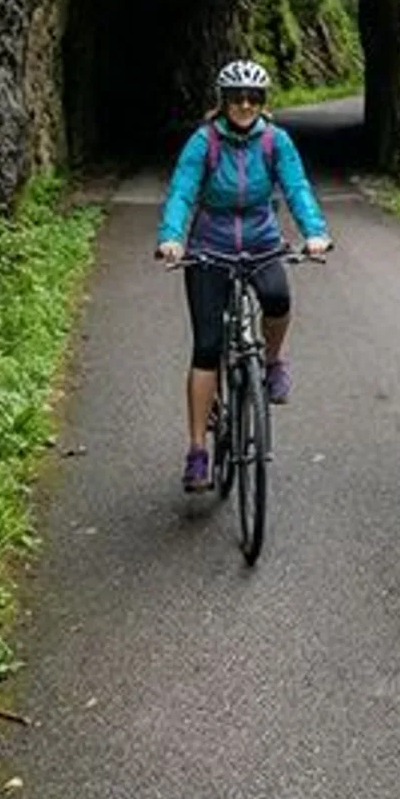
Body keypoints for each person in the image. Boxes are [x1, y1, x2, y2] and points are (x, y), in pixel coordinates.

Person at [155, 58, 330, 491]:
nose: (245, 105)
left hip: (261, 240)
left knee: (278, 299)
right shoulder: (204, 141)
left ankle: (270, 362)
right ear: (224, 101)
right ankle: (197, 450)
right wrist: (172, 237)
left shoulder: (275, 142)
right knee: (207, 347)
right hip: (209, 247)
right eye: (237, 98)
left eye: (253, 98)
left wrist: (315, 233)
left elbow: (296, 188)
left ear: (263, 101)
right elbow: (181, 191)